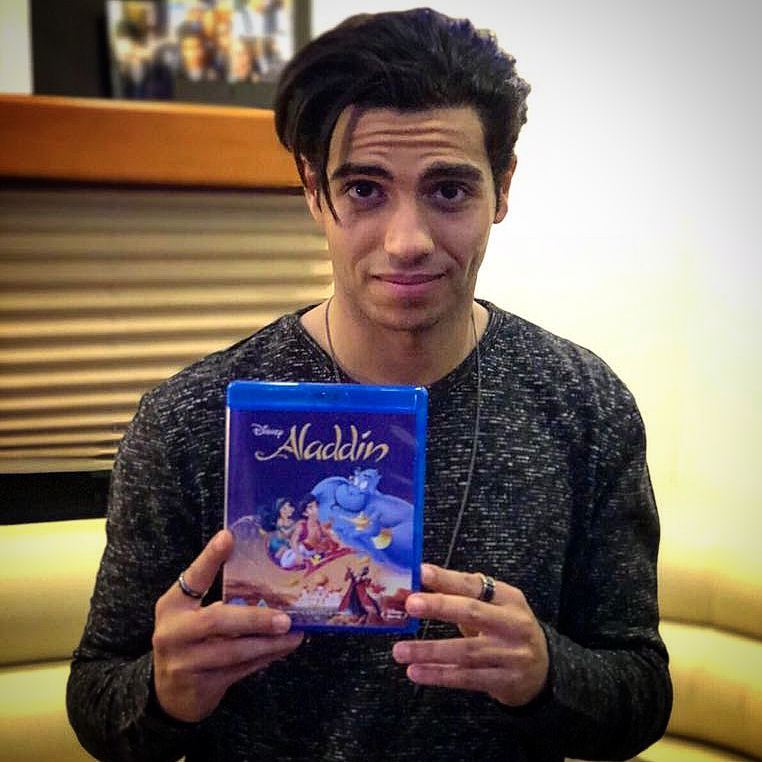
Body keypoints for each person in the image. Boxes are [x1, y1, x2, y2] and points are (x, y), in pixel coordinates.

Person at [67, 8, 672, 761]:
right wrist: (162, 695)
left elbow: (641, 694)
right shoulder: (190, 419)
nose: (407, 241)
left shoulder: (584, 405)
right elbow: (96, 700)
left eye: (449, 191)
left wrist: (548, 672)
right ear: (313, 189)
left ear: (502, 188)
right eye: (363, 189)